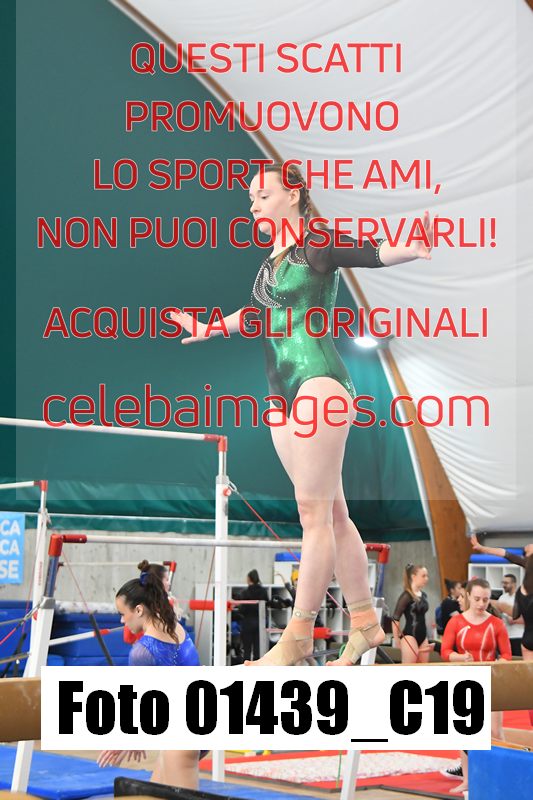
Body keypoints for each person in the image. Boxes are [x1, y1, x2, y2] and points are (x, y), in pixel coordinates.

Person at [172, 162, 433, 666]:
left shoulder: (316, 242)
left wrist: (407, 248)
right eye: (250, 197)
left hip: (319, 382)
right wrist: (210, 327)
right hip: (280, 395)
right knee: (332, 514)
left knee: (312, 514)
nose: (252, 204)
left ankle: (298, 633)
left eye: (262, 195)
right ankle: (365, 622)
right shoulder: (270, 262)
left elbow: (366, 251)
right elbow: (258, 315)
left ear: (292, 195)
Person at [98, 569, 205, 789]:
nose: (121, 619)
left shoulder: (143, 651)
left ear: (138, 609)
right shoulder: (175, 626)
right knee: (156, 792)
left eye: (122, 613)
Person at [441, 577, 512, 796]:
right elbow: (445, 651)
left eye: (486, 600)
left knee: (494, 731)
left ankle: (500, 778)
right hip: (465, 680)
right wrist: (460, 658)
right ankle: (468, 780)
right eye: (477, 599)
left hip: (491, 680)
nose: (481, 604)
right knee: (466, 731)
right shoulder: (456, 622)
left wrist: (499, 663)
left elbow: (507, 654)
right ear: (468, 596)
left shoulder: (496, 623)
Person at [392, 564, 434, 664]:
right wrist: (396, 639)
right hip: (409, 636)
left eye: (427, 576)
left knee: (423, 667)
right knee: (409, 668)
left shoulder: (424, 595)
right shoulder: (406, 596)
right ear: (413, 577)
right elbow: (395, 618)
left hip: (423, 636)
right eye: (423, 576)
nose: (426, 579)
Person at [236, 569, 269, 661]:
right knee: (258, 650)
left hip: (247, 623)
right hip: (260, 623)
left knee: (247, 650)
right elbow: (266, 605)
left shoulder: (245, 592)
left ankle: (246, 666)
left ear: (249, 579)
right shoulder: (263, 591)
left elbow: (242, 609)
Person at [491, 574, 525, 656]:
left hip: (518, 635)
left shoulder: (521, 597)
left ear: (514, 584)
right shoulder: (502, 598)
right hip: (506, 636)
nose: (504, 585)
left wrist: (514, 620)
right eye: (503, 583)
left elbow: (527, 618)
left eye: (506, 583)